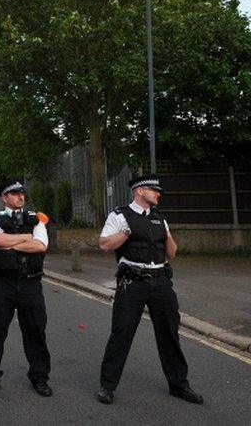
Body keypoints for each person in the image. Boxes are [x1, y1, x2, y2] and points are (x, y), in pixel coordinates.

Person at [95, 174, 202, 406]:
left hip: (161, 281)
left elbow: (171, 253)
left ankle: (179, 385)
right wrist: (126, 232)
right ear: (140, 191)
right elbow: (104, 245)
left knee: (169, 334)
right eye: (154, 190)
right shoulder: (119, 216)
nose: (159, 194)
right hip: (132, 282)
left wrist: (168, 235)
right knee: (121, 333)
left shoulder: (159, 218)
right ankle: (108, 386)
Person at [0, 181, 52, 397]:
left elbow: (40, 245)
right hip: (3, 284)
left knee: (36, 332)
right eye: (14, 193)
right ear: (4, 197)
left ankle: (39, 378)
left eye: (22, 193)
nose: (20, 197)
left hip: (31, 283)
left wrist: (8, 245)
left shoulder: (37, 218)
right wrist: (25, 237)